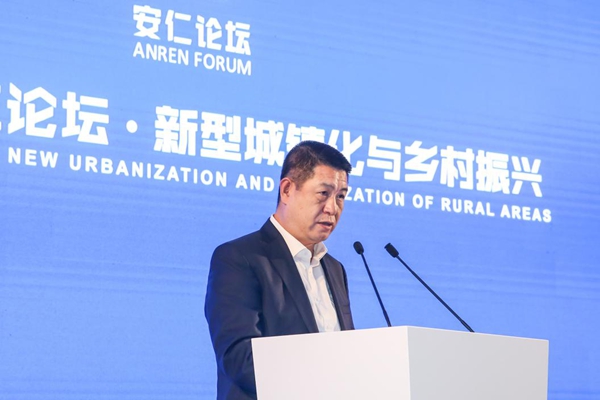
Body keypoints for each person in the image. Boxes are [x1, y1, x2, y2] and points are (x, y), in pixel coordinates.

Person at [204, 140, 355, 399]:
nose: (333, 208)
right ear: (287, 190)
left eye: (340, 196)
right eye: (323, 193)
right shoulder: (239, 258)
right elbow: (240, 358)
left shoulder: (334, 269)